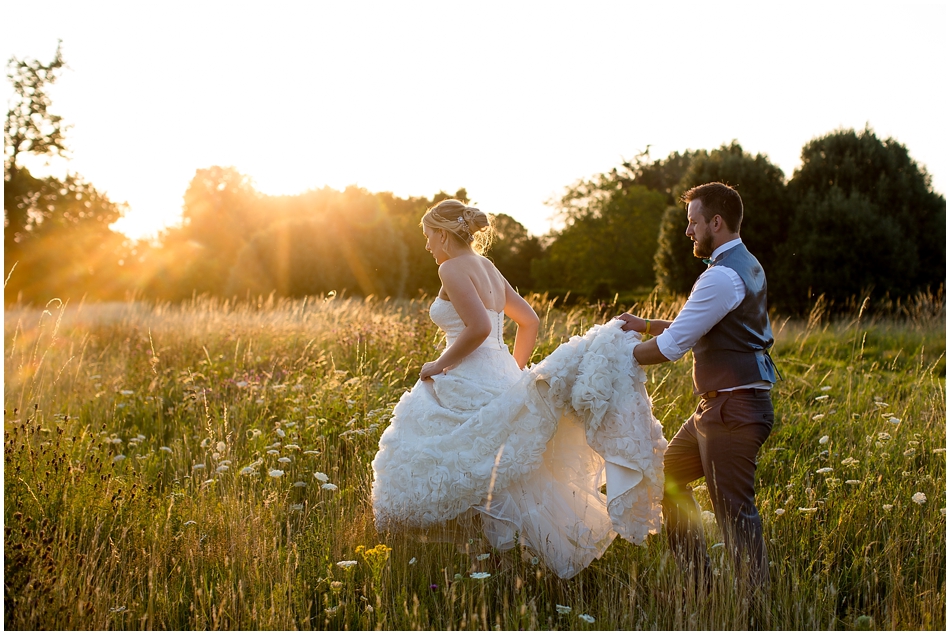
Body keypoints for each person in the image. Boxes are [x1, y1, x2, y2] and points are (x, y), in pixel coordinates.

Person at [371, 199, 667, 579]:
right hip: (501, 373)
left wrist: (438, 365)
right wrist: (514, 371)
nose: (428, 246)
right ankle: (498, 559)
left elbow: (477, 328)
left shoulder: (450, 269)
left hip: (466, 374)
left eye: (429, 237)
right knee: (501, 471)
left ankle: (487, 561)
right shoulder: (489, 267)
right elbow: (529, 321)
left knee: (464, 463)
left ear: (443, 234)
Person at [617, 182, 777, 592]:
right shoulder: (743, 265)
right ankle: (700, 582)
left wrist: (611, 359)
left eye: (693, 222)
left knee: (734, 512)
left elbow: (673, 347)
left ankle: (754, 608)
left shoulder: (722, 276)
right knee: (669, 474)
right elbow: (701, 329)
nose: (688, 231)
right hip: (717, 409)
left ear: (716, 222)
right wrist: (646, 326)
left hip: (732, 411)